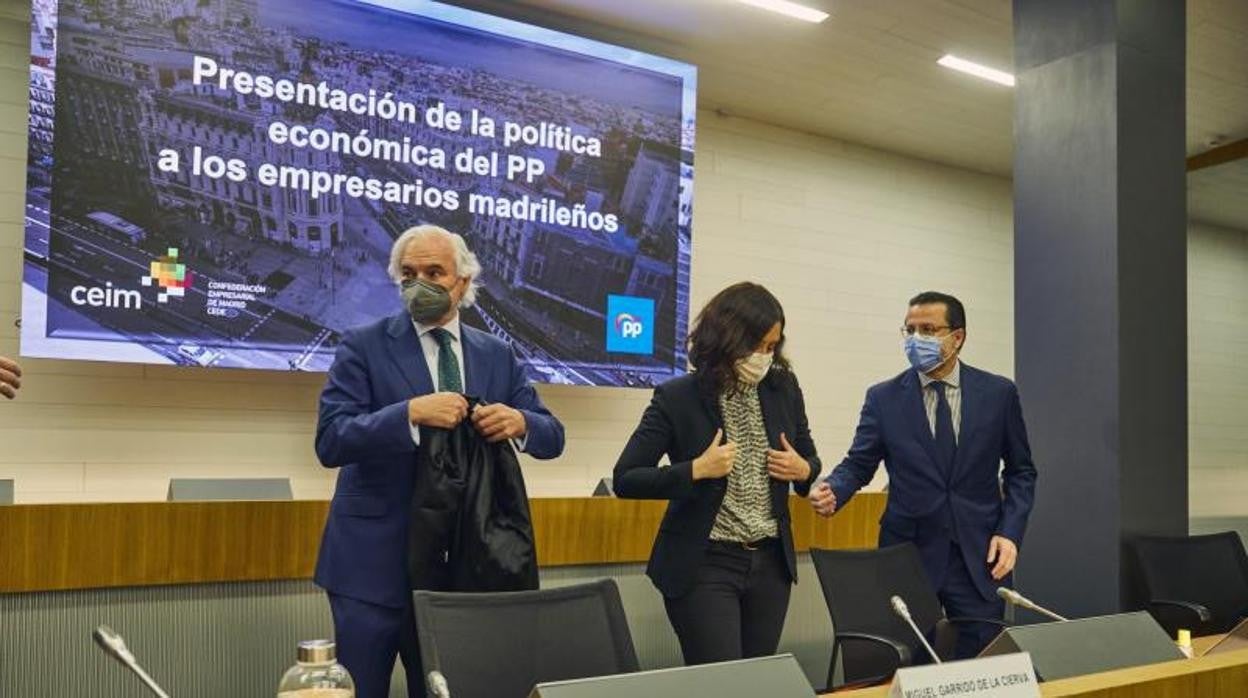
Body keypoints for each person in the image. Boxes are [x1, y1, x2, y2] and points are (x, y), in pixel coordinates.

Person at [313, 225, 565, 698]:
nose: (420, 283)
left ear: (463, 282)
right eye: (409, 274)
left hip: (458, 569)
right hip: (373, 566)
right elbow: (331, 440)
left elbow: (553, 436)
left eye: (434, 272)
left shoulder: (497, 354)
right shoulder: (362, 345)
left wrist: (520, 422)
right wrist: (408, 414)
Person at [811, 291, 1037, 658]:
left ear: (957, 337)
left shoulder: (998, 394)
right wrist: (835, 490)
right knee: (911, 663)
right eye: (910, 330)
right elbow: (859, 463)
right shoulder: (883, 398)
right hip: (908, 556)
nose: (917, 340)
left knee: (980, 665)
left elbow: (1021, 472)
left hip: (979, 557)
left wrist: (1009, 533)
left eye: (929, 329)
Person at [614, 282, 822, 665]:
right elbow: (626, 478)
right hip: (705, 562)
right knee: (720, 684)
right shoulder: (678, 396)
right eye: (755, 345)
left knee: (756, 683)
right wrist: (695, 469)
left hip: (771, 563)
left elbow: (809, 459)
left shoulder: (783, 387)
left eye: (772, 347)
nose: (763, 356)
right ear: (726, 338)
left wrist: (804, 469)